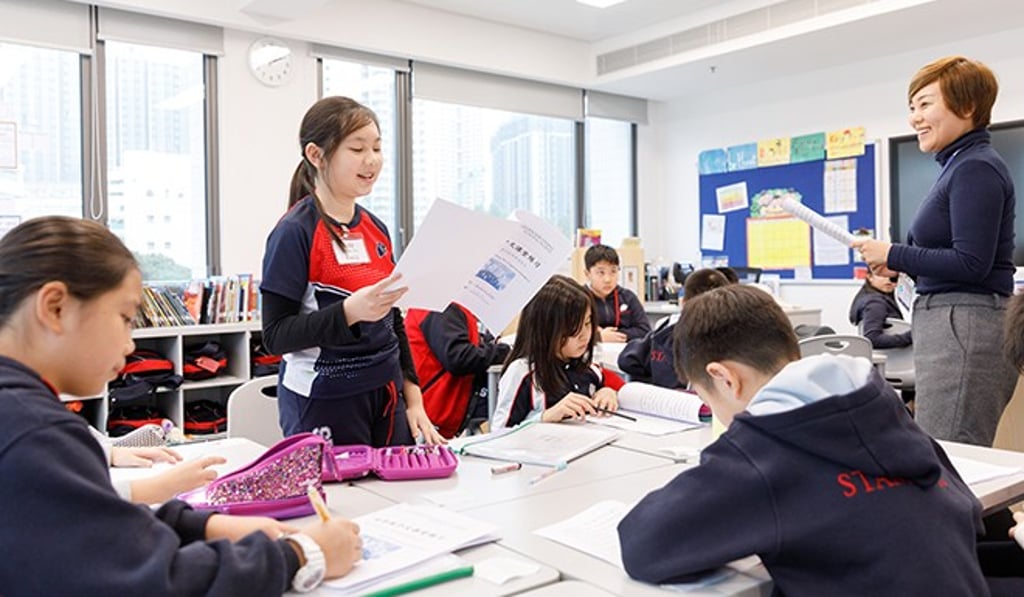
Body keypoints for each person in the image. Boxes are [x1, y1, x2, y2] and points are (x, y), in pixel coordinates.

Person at [0, 216, 362, 596]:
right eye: (125, 319)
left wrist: (202, 526)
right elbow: (157, 583)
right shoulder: (35, 433)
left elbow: (89, 520)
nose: (129, 345)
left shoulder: (21, 413)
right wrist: (303, 553)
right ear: (55, 307)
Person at [617, 285, 988, 595]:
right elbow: (969, 511)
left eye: (704, 394)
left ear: (724, 378)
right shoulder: (880, 404)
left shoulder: (763, 449)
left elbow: (643, 545)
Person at [853, 56, 1016, 446]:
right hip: (955, 321)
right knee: (949, 454)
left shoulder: (975, 168)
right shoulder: (960, 165)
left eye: (925, 104)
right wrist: (899, 261)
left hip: (964, 321)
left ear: (967, 107)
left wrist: (893, 253)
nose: (914, 118)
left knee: (952, 456)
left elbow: (971, 263)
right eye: (912, 107)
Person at [261, 96, 442, 447]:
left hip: (386, 393)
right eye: (357, 148)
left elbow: (394, 320)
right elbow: (275, 335)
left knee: (396, 498)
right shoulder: (294, 232)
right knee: (342, 502)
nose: (371, 160)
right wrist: (349, 312)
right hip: (323, 398)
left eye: (376, 147)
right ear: (316, 155)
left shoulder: (376, 228)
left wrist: (414, 397)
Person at [491, 275, 623, 430]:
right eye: (573, 329)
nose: (585, 335)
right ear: (546, 330)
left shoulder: (588, 366)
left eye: (587, 323)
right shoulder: (522, 373)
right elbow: (499, 433)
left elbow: (603, 389)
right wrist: (545, 417)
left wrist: (607, 392)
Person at [404, 303, 511, 438]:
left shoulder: (442, 306)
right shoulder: (441, 306)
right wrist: (504, 351)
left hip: (434, 411)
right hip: (433, 414)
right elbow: (458, 357)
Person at [618, 268, 729, 388]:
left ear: (683, 302)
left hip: (667, 400)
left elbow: (628, 360)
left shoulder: (667, 331)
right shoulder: (734, 337)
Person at [583, 244, 650, 342]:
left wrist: (615, 335)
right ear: (587, 274)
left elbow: (645, 330)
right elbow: (571, 332)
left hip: (624, 352)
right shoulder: (579, 298)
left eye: (613, 271)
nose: (607, 279)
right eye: (601, 272)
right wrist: (598, 336)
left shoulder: (628, 297)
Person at [848, 269, 913, 349]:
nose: (888, 280)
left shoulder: (880, 298)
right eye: (883, 276)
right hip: (895, 358)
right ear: (870, 277)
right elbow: (872, 339)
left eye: (893, 277)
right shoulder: (874, 304)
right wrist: (912, 336)